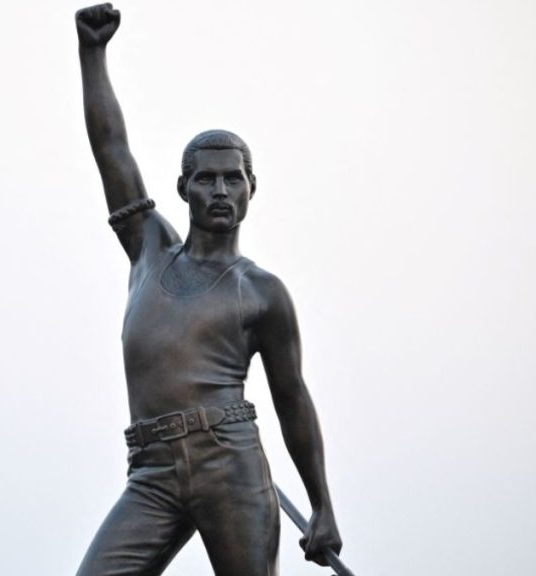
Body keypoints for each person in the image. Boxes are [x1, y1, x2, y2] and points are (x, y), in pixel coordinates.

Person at [74, 4, 342, 575]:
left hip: (231, 464)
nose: (220, 189)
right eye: (205, 178)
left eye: (232, 178)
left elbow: (292, 397)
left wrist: (322, 505)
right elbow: (112, 149)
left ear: (251, 188)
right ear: (183, 188)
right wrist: (92, 55)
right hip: (150, 469)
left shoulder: (263, 292)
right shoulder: (148, 250)